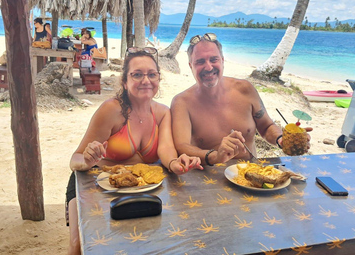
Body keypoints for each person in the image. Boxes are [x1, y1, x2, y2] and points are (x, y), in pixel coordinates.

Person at [67, 47, 203, 255]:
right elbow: (75, 159)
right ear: (124, 81)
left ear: (158, 79)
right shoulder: (111, 110)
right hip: (93, 186)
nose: (145, 80)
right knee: (80, 246)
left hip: (140, 190)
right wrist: (87, 160)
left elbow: (166, 149)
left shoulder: (163, 113)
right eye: (137, 75)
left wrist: (175, 164)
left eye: (152, 74)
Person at [171, 33, 312, 166]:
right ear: (191, 65)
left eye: (214, 59)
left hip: (251, 176)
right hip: (209, 180)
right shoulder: (182, 103)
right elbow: (182, 147)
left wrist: (281, 139)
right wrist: (216, 156)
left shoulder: (245, 89)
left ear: (222, 60)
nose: (208, 67)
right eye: (200, 61)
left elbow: (266, 126)